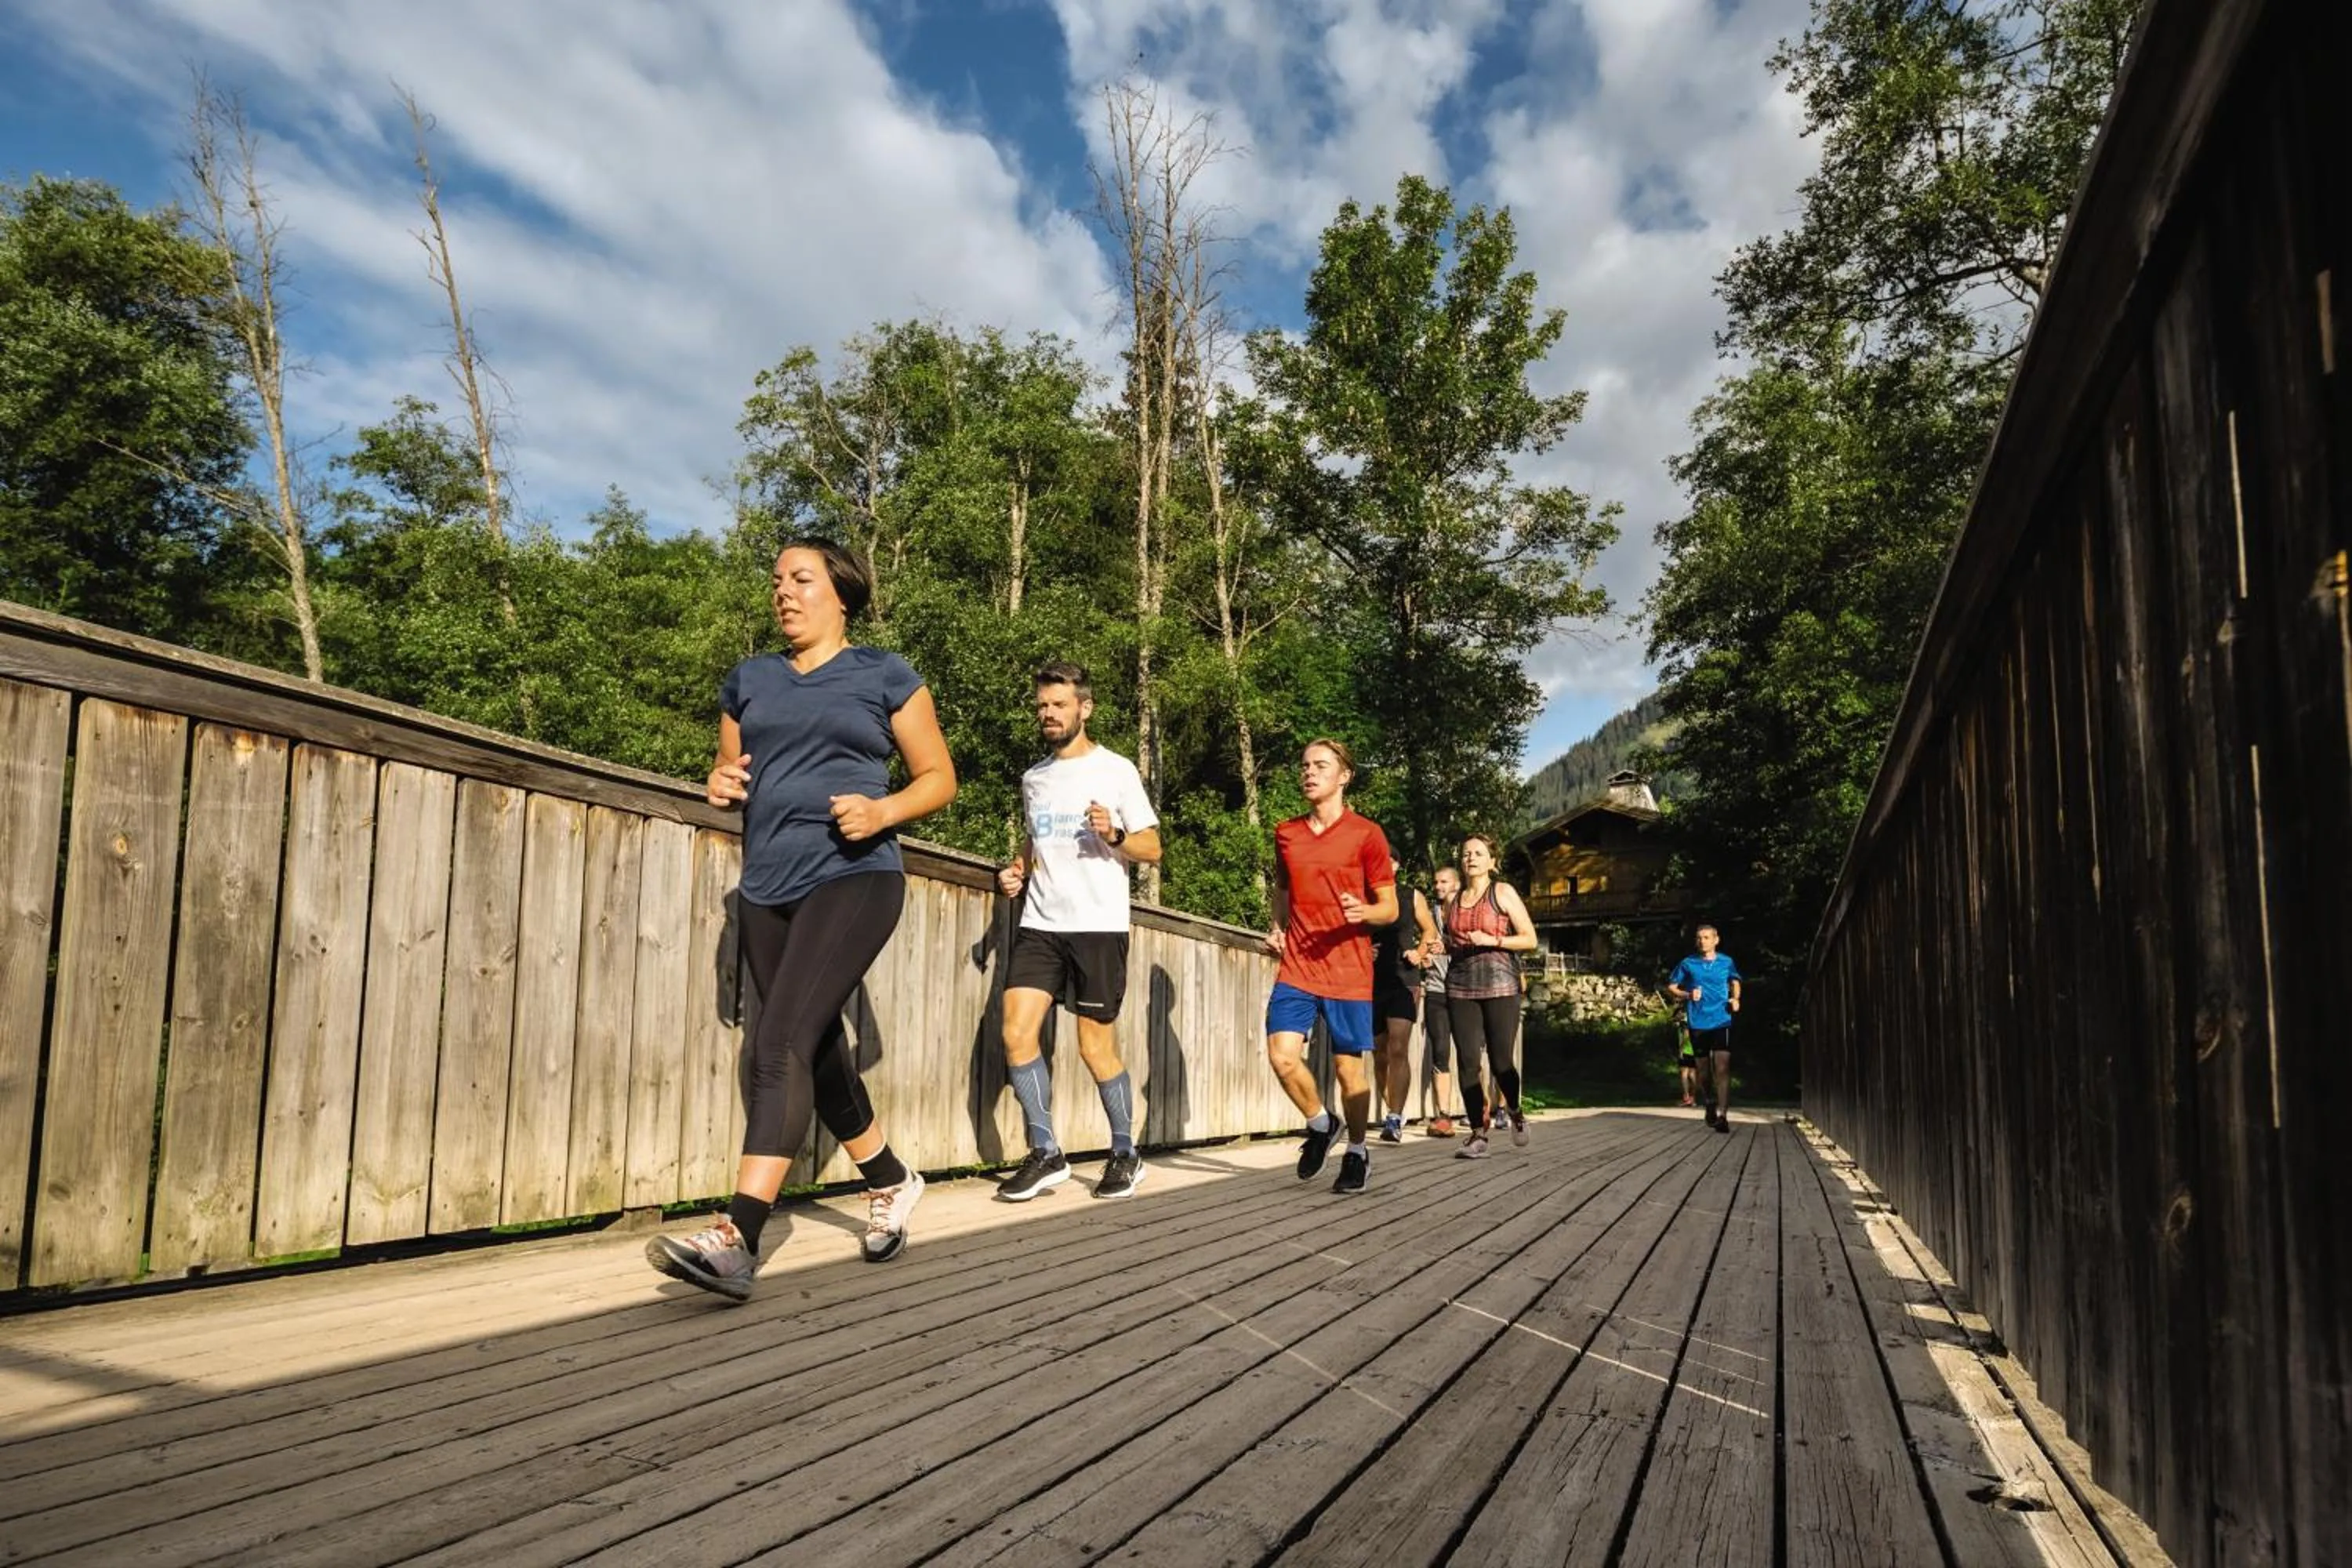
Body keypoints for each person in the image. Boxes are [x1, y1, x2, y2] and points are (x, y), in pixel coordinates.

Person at [646, 538, 957, 1301]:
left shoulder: (884, 674)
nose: (783, 590)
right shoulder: (749, 681)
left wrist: (883, 808)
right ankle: (890, 1177)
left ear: (840, 593)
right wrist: (719, 782)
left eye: (801, 578)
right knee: (816, 1052)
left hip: (855, 875)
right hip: (766, 887)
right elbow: (735, 777)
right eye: (776, 578)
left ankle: (737, 1238)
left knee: (777, 1039)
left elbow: (940, 777)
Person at [993, 662, 1162, 1202]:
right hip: (1041, 923)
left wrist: (1113, 834)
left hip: (1098, 925)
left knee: (1095, 1046)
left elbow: (1152, 848)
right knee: (1016, 1032)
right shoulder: (1034, 778)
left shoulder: (1116, 770)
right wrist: (1017, 868)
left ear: (1083, 709)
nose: (1048, 714)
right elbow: (1036, 840)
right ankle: (1046, 1153)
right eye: (1042, 705)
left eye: (1059, 705)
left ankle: (1124, 1154)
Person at [1265, 740, 1398, 1195]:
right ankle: (1322, 1123)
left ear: (1344, 776)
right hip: (1298, 966)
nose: (1309, 773)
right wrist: (1277, 926)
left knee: (1348, 1071)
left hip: (1348, 970)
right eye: (1304, 766)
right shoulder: (1287, 832)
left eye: (1321, 766)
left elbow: (1390, 908)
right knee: (1282, 1057)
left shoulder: (1367, 835)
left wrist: (1364, 913)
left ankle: (1358, 1151)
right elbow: (1283, 889)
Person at [1443, 833, 1539, 1160]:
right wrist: (1434, 949)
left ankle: (1514, 1109)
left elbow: (1529, 939)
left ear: (1492, 862)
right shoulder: (1451, 901)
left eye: (1478, 853)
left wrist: (1493, 939)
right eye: (1466, 852)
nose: (1471, 857)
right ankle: (1477, 1134)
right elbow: (1451, 942)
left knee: (1501, 1062)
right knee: (1468, 1061)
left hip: (1500, 983)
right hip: (1459, 985)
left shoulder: (1502, 892)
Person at [1371, 858, 1443, 1143]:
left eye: (1386, 858)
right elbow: (1348, 934)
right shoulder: (1364, 895)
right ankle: (1392, 1109)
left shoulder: (1410, 895)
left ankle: (1394, 1117)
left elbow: (1430, 930)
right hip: (1372, 981)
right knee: (1379, 1054)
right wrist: (1362, 950)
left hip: (1405, 978)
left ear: (1397, 865)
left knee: (1398, 1046)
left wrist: (1419, 950)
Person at [1668, 923, 1742, 1133]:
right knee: (1703, 1070)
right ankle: (1709, 1100)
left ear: (1716, 940)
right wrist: (1688, 995)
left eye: (1707, 937)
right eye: (1699, 938)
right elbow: (1672, 986)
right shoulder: (1688, 963)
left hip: (1722, 1019)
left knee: (1723, 1067)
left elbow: (1735, 981)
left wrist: (1735, 999)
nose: (1703, 941)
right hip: (1698, 1021)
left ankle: (1723, 1116)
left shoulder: (1726, 962)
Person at [1421, 864, 1461, 1137]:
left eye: (1444, 882)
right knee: (1440, 1051)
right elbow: (1425, 944)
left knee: (1470, 1053)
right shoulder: (1430, 914)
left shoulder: (1467, 911)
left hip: (1464, 988)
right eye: (1436, 883)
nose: (1438, 887)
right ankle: (1443, 1115)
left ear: (1457, 885)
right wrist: (1424, 956)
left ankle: (1477, 1107)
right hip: (1436, 988)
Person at [1676, 1004, 1702, 1108]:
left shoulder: (1685, 1024)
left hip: (1687, 1051)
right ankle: (1693, 1099)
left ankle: (1686, 1097)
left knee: (1684, 1074)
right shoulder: (1695, 1023)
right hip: (1694, 1051)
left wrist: (1681, 1050)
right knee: (1693, 1075)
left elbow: (1686, 1036)